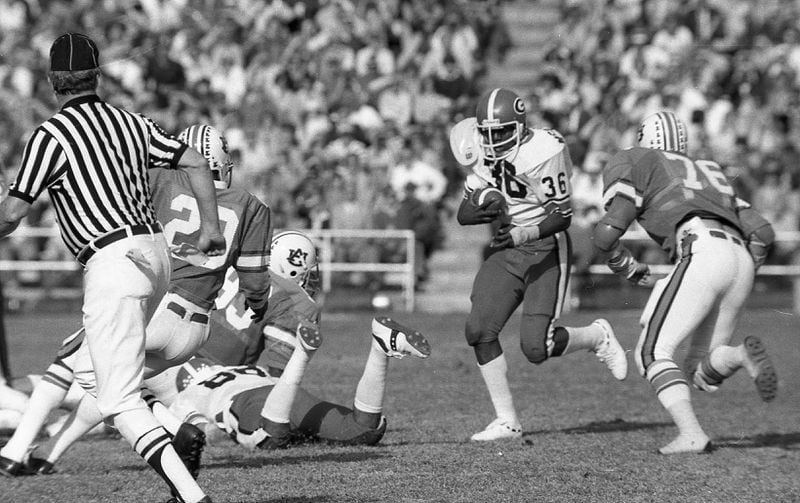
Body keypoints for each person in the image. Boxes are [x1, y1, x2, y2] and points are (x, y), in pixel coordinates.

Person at [0, 33, 222, 502]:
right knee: (90, 374)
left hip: (112, 261)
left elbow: (11, 215)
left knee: (117, 398)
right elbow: (196, 161)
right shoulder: (131, 122)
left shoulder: (51, 135)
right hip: (154, 253)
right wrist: (209, 227)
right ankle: (169, 425)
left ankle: (191, 495)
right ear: (97, 75)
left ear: (51, 81)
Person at [0, 124, 273, 490]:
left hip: (158, 306)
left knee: (77, 361)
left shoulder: (161, 179)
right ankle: (46, 453)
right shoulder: (252, 206)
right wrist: (258, 304)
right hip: (196, 327)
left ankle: (16, 450)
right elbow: (255, 280)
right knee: (113, 382)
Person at [592, 111, 777, 454]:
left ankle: (692, 434)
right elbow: (764, 233)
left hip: (700, 246)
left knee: (651, 353)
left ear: (644, 138)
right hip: (739, 255)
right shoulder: (709, 170)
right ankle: (738, 356)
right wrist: (742, 273)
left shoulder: (638, 158)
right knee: (698, 371)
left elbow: (608, 231)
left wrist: (624, 264)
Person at [448, 88, 628, 442]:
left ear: (519, 126)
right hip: (507, 247)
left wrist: (522, 234)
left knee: (536, 349)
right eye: (487, 133)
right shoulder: (479, 148)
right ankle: (507, 421)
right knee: (478, 330)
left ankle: (596, 336)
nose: (493, 140)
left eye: (501, 132)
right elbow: (463, 214)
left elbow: (562, 216)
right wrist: (484, 203)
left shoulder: (545, 151)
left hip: (545, 245)